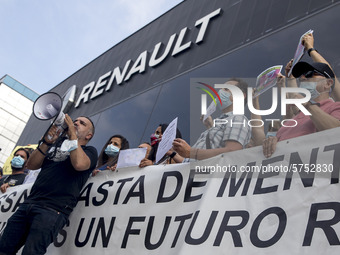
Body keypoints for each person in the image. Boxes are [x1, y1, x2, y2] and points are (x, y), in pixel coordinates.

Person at [0, 114, 98, 255]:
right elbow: (32, 165)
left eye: (81, 123)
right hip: (28, 204)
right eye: (74, 121)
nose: (76, 123)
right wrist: (46, 142)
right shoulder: (55, 146)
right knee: (4, 248)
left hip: (52, 211)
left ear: (89, 135)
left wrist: (71, 132)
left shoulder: (90, 152)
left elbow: (79, 164)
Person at [263, 62, 340, 158]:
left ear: (328, 83)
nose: (302, 78)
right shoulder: (290, 122)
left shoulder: (335, 107)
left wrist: (308, 105)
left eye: (309, 74)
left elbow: (336, 133)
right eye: (300, 76)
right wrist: (272, 143)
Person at [173, 78, 252, 160]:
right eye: (221, 89)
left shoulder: (238, 118)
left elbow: (232, 151)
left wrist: (191, 152)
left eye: (226, 89)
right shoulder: (220, 122)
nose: (220, 92)